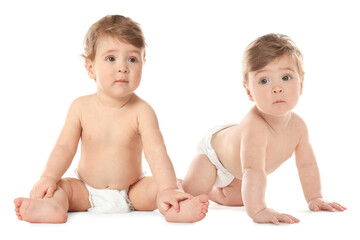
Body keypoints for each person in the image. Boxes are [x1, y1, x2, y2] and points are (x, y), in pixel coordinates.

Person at [14, 15, 209, 223]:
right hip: (85, 190)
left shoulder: (142, 111)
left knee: (164, 186)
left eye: (132, 59)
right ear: (90, 68)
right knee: (61, 188)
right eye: (111, 58)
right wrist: (48, 178)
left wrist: (167, 188)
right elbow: (64, 147)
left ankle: (174, 208)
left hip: (133, 191)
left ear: (143, 63)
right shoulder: (80, 107)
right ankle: (51, 207)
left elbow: (156, 153)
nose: (123, 67)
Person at [182, 33, 346, 225]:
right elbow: (252, 170)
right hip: (215, 155)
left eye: (285, 77)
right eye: (264, 81)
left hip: (239, 169)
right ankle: (179, 185)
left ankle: (213, 191)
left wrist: (314, 198)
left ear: (301, 84)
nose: (277, 88)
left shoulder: (299, 127)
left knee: (239, 199)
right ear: (249, 91)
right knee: (191, 193)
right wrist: (258, 210)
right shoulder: (255, 128)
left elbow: (306, 165)